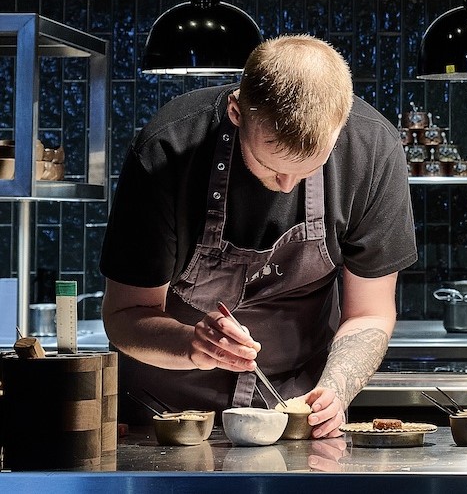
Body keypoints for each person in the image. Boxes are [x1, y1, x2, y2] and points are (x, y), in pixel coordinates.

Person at [100, 34, 418, 437]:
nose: (286, 186)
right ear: (236, 112)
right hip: (166, 417)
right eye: (271, 165)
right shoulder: (166, 150)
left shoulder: (374, 151)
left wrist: (336, 388)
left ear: (343, 124)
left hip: (294, 413)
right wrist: (191, 346)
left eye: (305, 169)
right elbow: (125, 315)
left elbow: (369, 312)